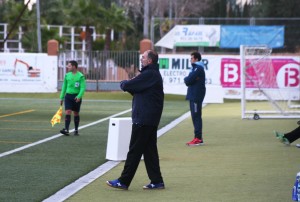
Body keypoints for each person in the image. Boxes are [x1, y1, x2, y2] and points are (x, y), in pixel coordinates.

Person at [106, 50, 165, 190]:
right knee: (150, 152)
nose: (141, 59)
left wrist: (124, 83)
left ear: (150, 60)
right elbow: (137, 89)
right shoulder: (151, 74)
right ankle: (157, 181)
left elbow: (128, 85)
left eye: (143, 57)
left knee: (134, 151)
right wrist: (130, 85)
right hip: (149, 118)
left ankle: (124, 181)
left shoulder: (149, 74)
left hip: (144, 118)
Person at [184, 51, 206, 146]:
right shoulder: (195, 68)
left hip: (196, 95)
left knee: (196, 117)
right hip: (194, 95)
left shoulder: (198, 68)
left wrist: (188, 79)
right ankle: (198, 138)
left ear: (196, 59)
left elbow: (188, 80)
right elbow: (189, 80)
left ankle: (198, 138)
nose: (190, 60)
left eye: (191, 58)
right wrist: (189, 79)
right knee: (195, 116)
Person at [59, 60, 86, 136]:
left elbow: (82, 87)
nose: (68, 67)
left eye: (69, 66)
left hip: (76, 97)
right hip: (68, 96)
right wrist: (61, 97)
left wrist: (79, 96)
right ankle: (66, 129)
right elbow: (64, 87)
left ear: (74, 66)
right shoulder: (67, 75)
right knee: (68, 111)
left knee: (76, 113)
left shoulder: (81, 76)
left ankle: (76, 130)